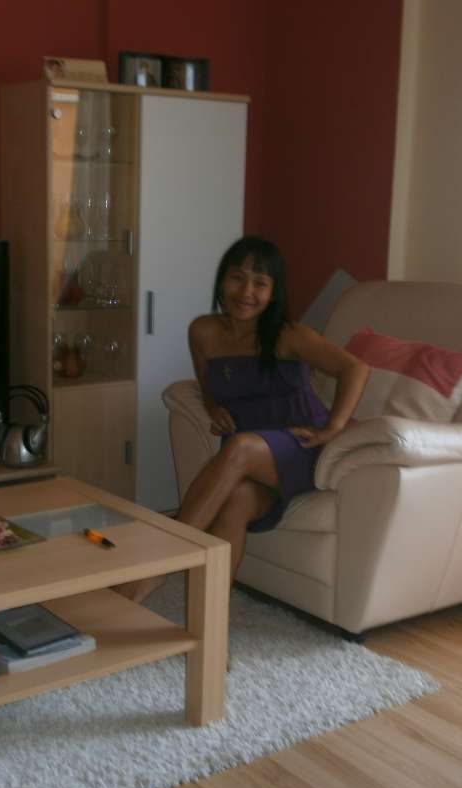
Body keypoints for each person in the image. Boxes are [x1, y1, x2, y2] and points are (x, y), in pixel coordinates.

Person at [116, 236, 370, 603]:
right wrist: (212, 406)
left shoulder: (289, 336)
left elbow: (355, 368)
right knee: (235, 501)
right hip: (251, 459)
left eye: (260, 283)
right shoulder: (203, 331)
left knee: (239, 447)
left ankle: (158, 565)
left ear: (273, 292)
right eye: (237, 278)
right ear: (222, 281)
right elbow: (207, 381)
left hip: (300, 448)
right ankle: (211, 624)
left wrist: (333, 427)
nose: (246, 292)